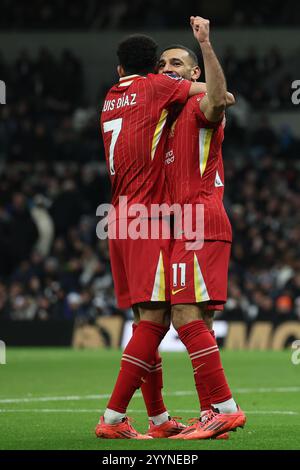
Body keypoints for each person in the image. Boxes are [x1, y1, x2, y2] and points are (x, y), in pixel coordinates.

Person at [95, 33, 210, 439]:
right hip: (148, 217)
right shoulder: (156, 86)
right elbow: (212, 89)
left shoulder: (111, 94)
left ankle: (159, 420)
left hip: (117, 218)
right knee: (157, 319)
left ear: (120, 69)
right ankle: (112, 419)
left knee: (141, 318)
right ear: (150, 70)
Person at [157, 16, 246, 439]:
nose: (167, 69)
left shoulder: (196, 106)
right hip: (183, 225)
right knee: (200, 322)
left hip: (199, 219)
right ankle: (212, 411)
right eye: (161, 65)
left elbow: (217, 98)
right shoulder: (166, 119)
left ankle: (225, 407)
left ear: (192, 72)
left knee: (184, 314)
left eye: (176, 63)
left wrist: (206, 45)